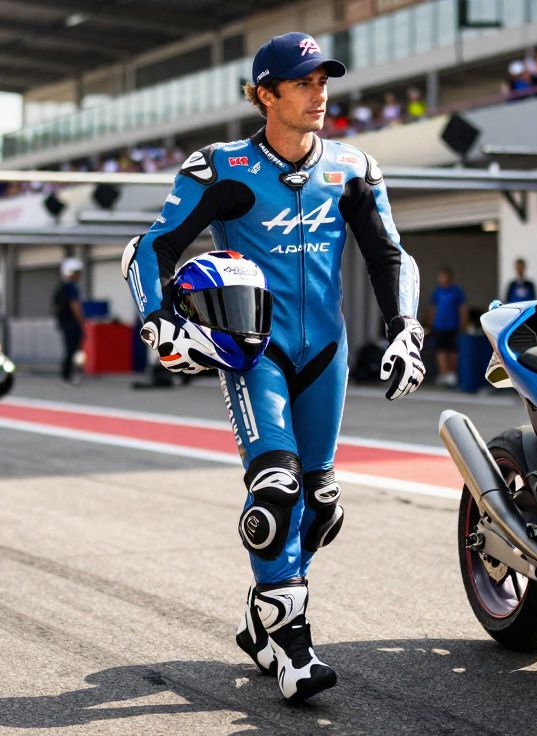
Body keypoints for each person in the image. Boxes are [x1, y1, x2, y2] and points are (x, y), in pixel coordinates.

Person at [123, 31, 423, 702]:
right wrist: (159, 318)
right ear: (265, 94)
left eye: (323, 82)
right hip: (252, 353)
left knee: (321, 505)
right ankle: (292, 646)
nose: (320, 94)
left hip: (327, 352)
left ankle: (262, 615)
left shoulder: (352, 168)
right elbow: (152, 247)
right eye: (303, 83)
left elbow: (390, 255)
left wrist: (405, 327)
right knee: (277, 489)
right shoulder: (221, 168)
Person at [430, 266, 468, 387]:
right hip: (439, 326)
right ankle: (443, 374)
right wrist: (431, 322)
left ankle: (452, 374)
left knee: (453, 351)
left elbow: (462, 308)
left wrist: (463, 323)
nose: (442, 278)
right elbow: (433, 308)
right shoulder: (437, 291)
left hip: (452, 325)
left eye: (444, 276)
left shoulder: (457, 291)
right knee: (441, 350)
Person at [54, 257, 85, 385]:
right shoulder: (71, 288)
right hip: (72, 323)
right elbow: (74, 305)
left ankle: (68, 373)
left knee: (71, 349)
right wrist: (81, 321)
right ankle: (68, 374)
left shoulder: (62, 288)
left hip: (64, 323)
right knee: (73, 349)